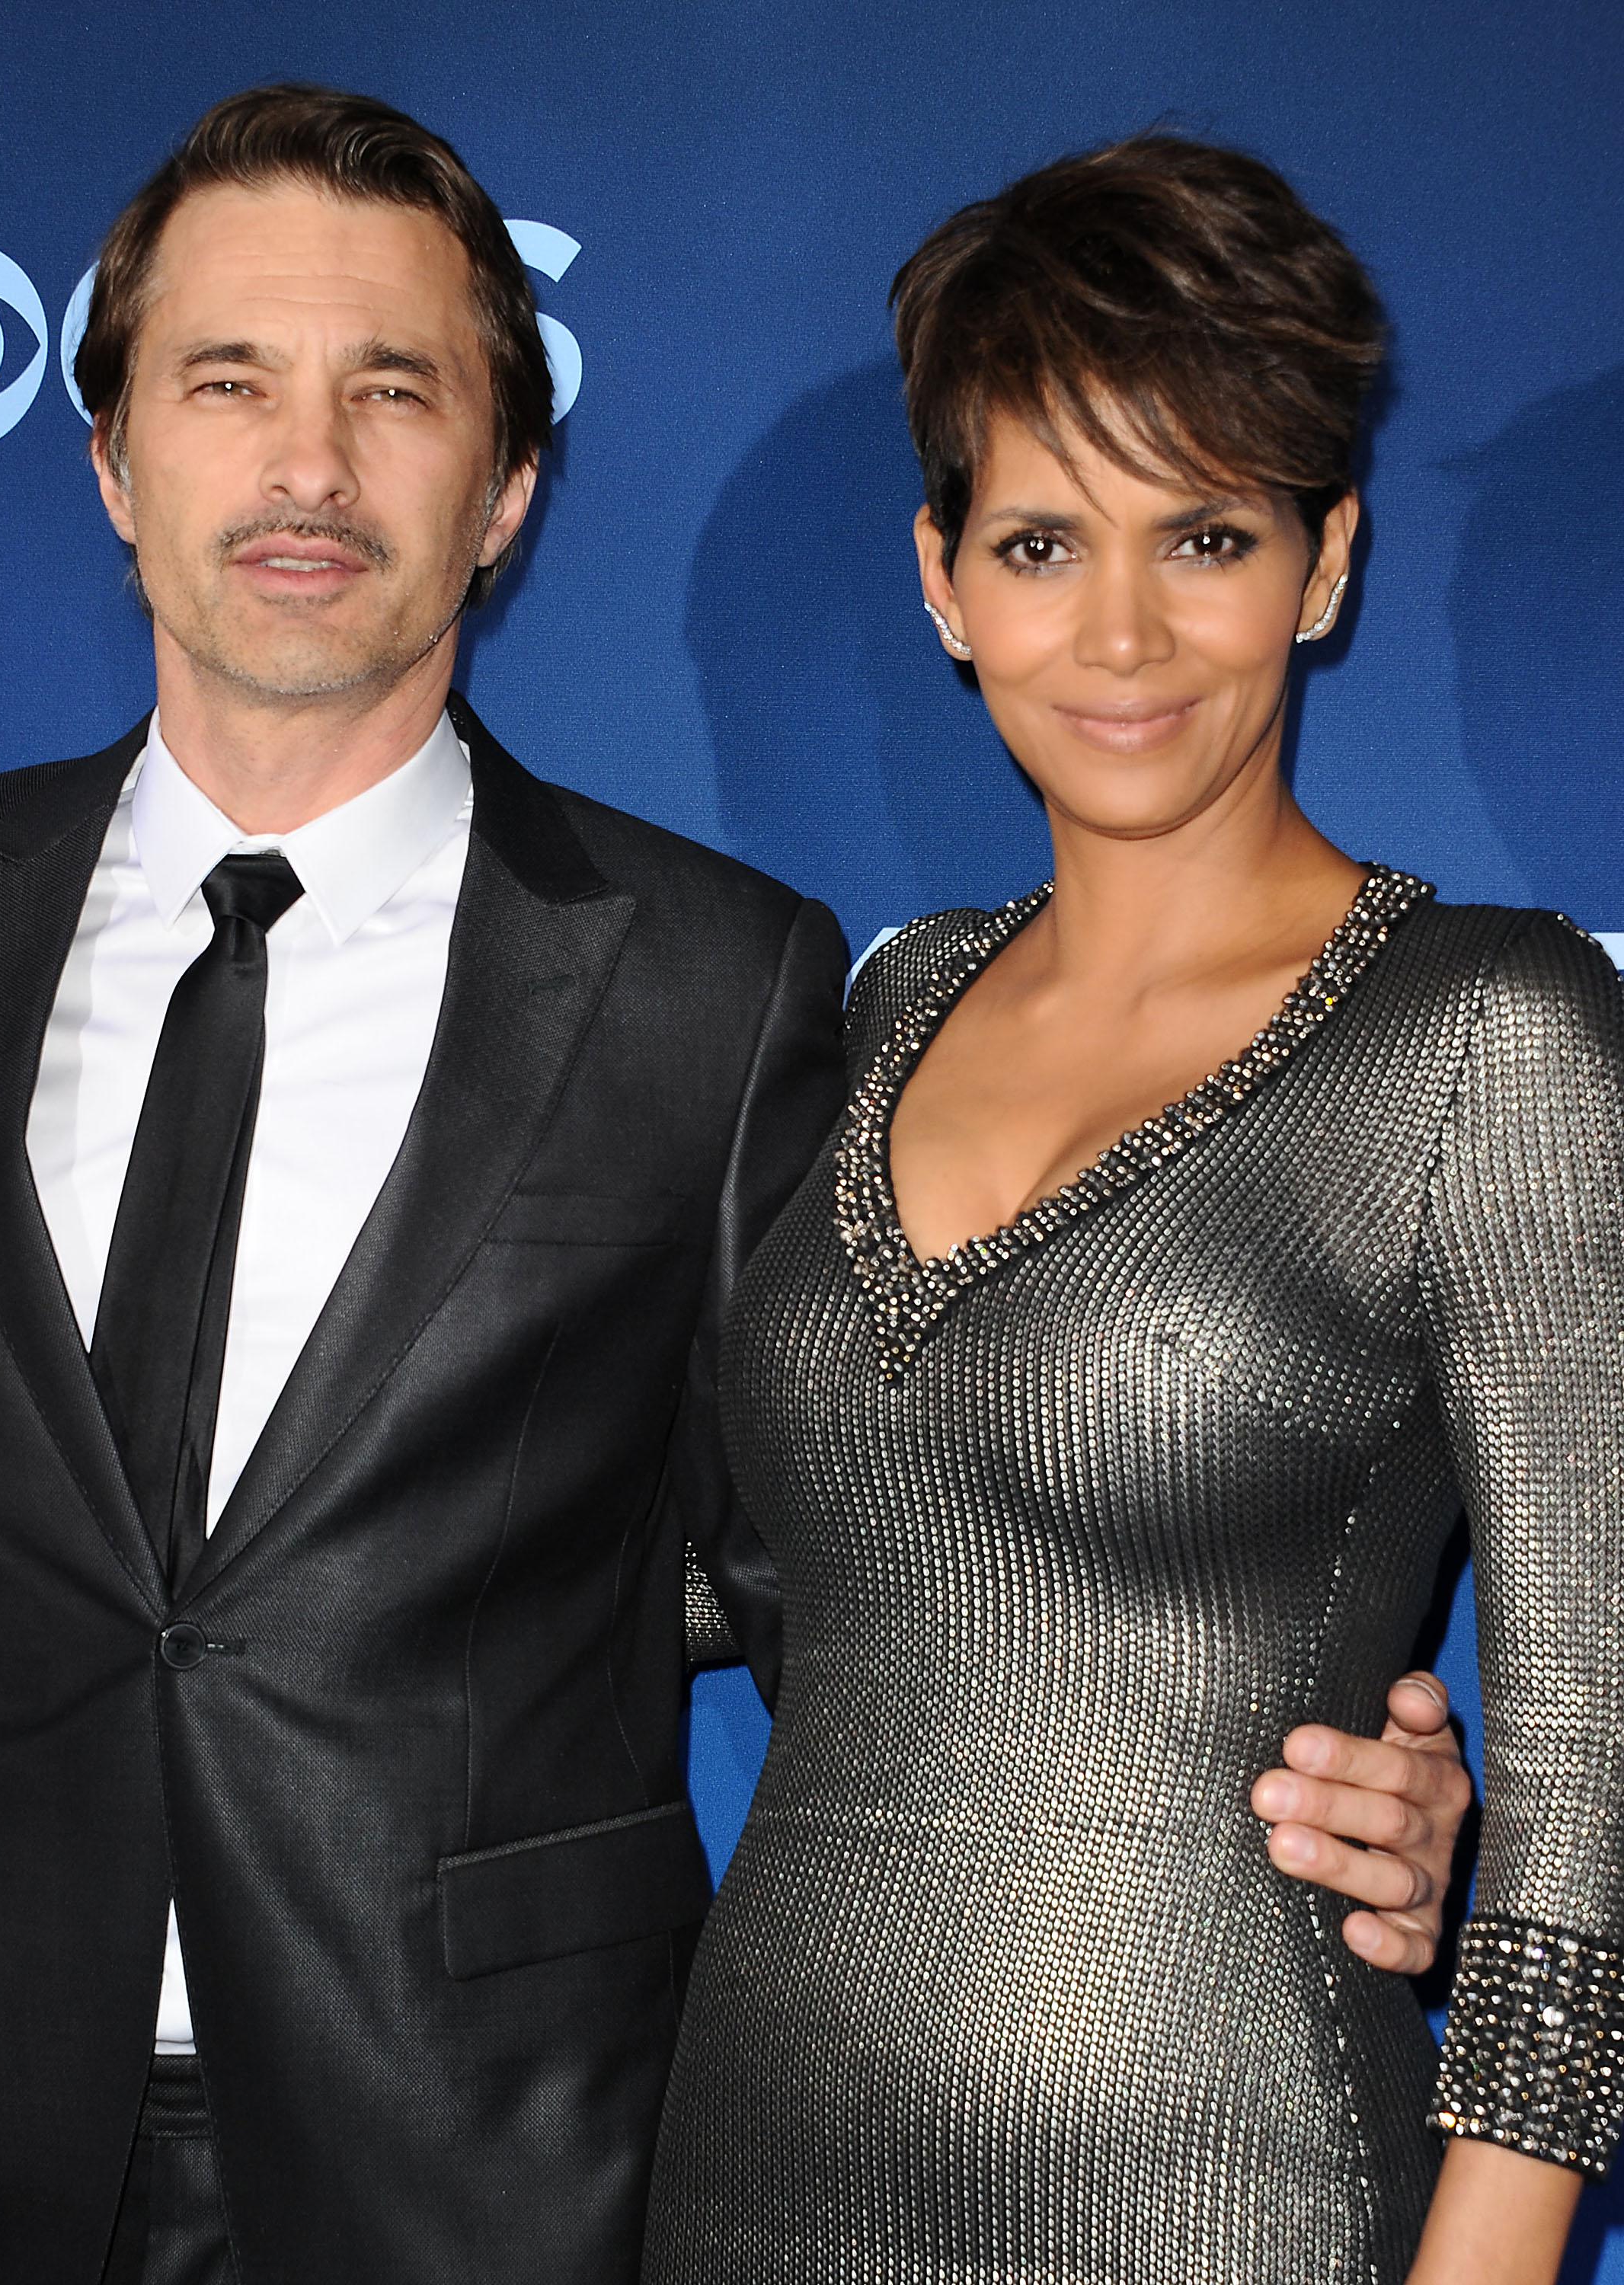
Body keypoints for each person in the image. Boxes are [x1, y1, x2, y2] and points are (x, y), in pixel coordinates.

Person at [0, 91, 1465, 2285]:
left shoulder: (714, 983)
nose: (307, 467)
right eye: (228, 382)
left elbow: (860, 1561)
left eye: (395, 391)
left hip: (513, 2178)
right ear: (110, 460)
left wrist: (1283, 1778)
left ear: (507, 488)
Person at [644, 136, 1623, 2285]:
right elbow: (748, 1577)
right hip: (742, 2186)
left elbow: (1592, 1781)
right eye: (1037, 538)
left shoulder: (1498, 1039)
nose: (1118, 631)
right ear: (939, 580)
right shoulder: (887, 1003)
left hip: (1222, 2197)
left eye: (1204, 534)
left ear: (1325, 562)